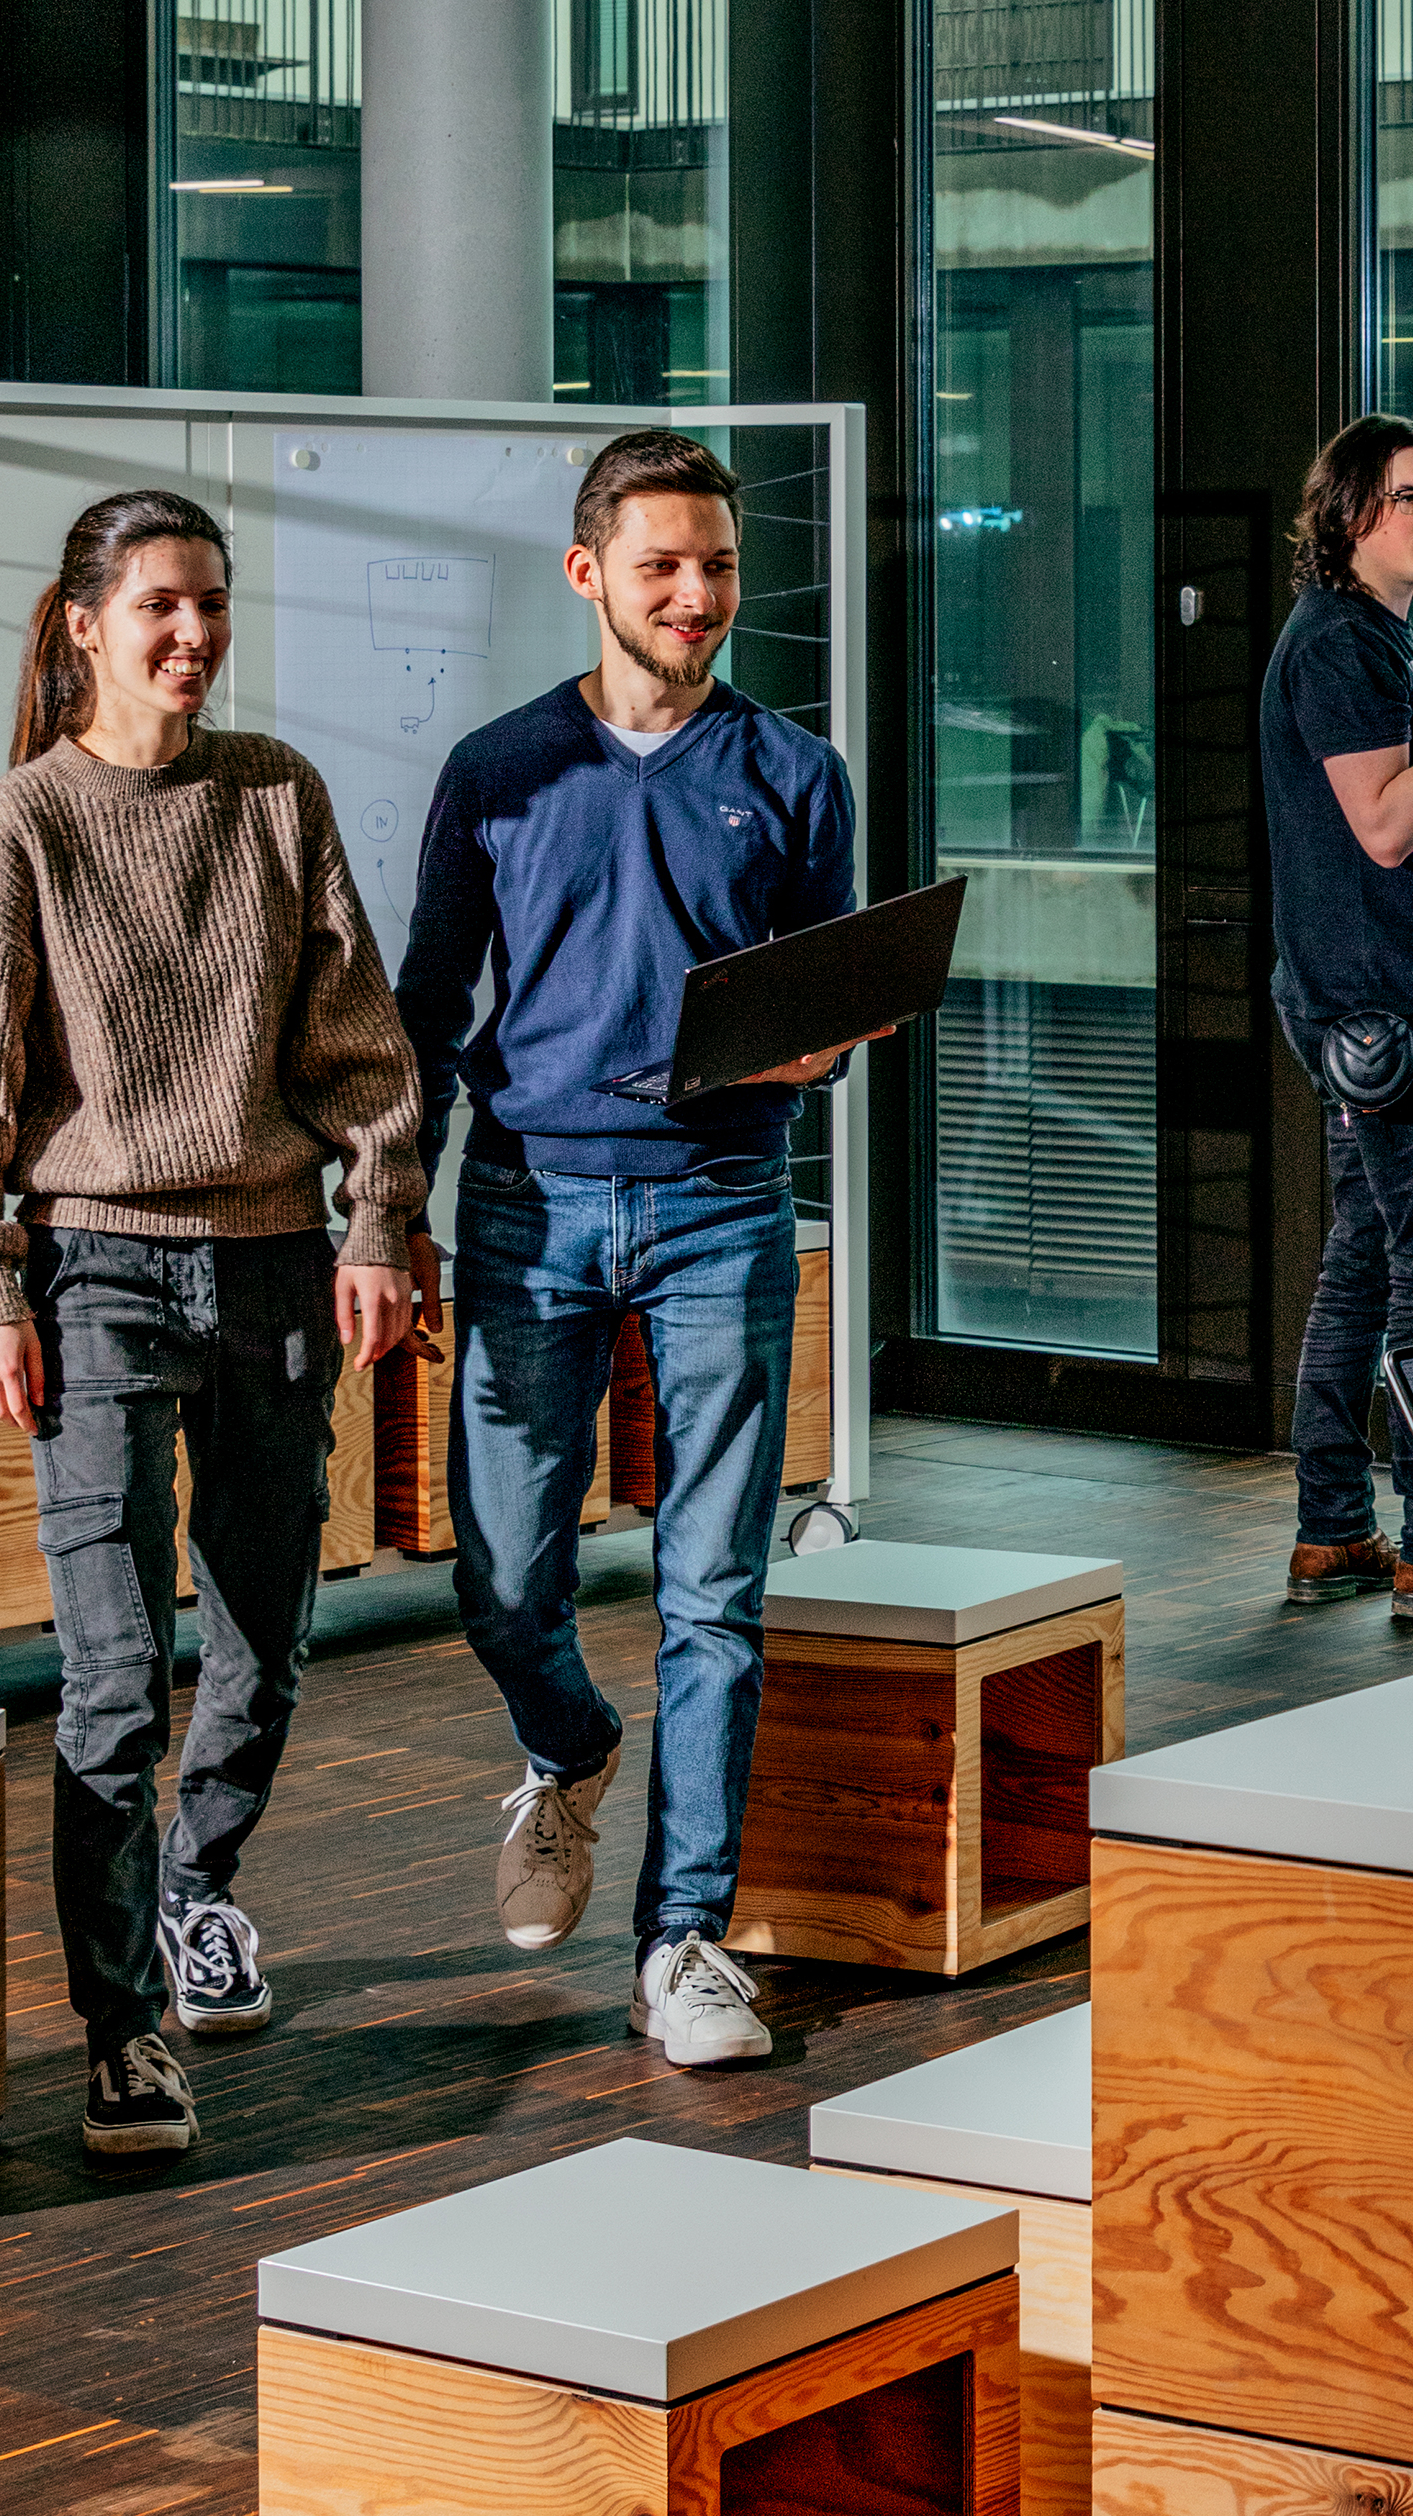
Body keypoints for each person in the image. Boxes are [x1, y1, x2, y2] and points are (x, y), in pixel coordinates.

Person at [0, 489, 427, 2160]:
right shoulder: (24, 825)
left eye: (212, 603)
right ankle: (125, 2030)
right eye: (159, 608)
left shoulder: (276, 793)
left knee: (267, 1640)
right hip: (95, 1278)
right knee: (116, 1672)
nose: (193, 635)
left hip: (276, 1269)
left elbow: (361, 1053)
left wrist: (379, 1225)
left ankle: (203, 1891)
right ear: (83, 625)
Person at [396, 430, 870, 2069]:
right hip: (524, 1207)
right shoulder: (496, 770)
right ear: (591, 573)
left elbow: (822, 994)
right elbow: (429, 1006)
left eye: (719, 566)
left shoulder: (799, 776)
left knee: (716, 1593)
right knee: (501, 1579)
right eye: (662, 564)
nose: (696, 594)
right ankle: (569, 1744)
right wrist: (389, 1201)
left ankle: (684, 1942)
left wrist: (823, 1043)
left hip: (724, 1204)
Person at [1261, 414, 1413, 1619]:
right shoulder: (1340, 648)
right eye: (1410, 495)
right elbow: (1388, 823)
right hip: (1396, 1012)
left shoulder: (1382, 641)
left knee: (1365, 1260)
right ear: (1350, 511)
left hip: (1394, 997)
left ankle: (1330, 1531)